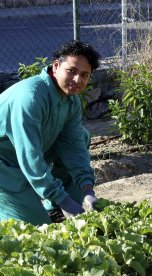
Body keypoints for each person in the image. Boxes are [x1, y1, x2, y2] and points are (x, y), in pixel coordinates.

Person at [0, 40, 101, 225]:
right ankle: (53, 202)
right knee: (34, 227)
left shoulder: (71, 101)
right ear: (56, 66)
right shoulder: (30, 98)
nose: (77, 80)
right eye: (72, 71)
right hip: (4, 163)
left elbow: (75, 146)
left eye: (84, 75)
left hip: (22, 157)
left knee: (82, 137)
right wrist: (63, 198)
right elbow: (30, 157)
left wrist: (88, 190)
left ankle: (55, 208)